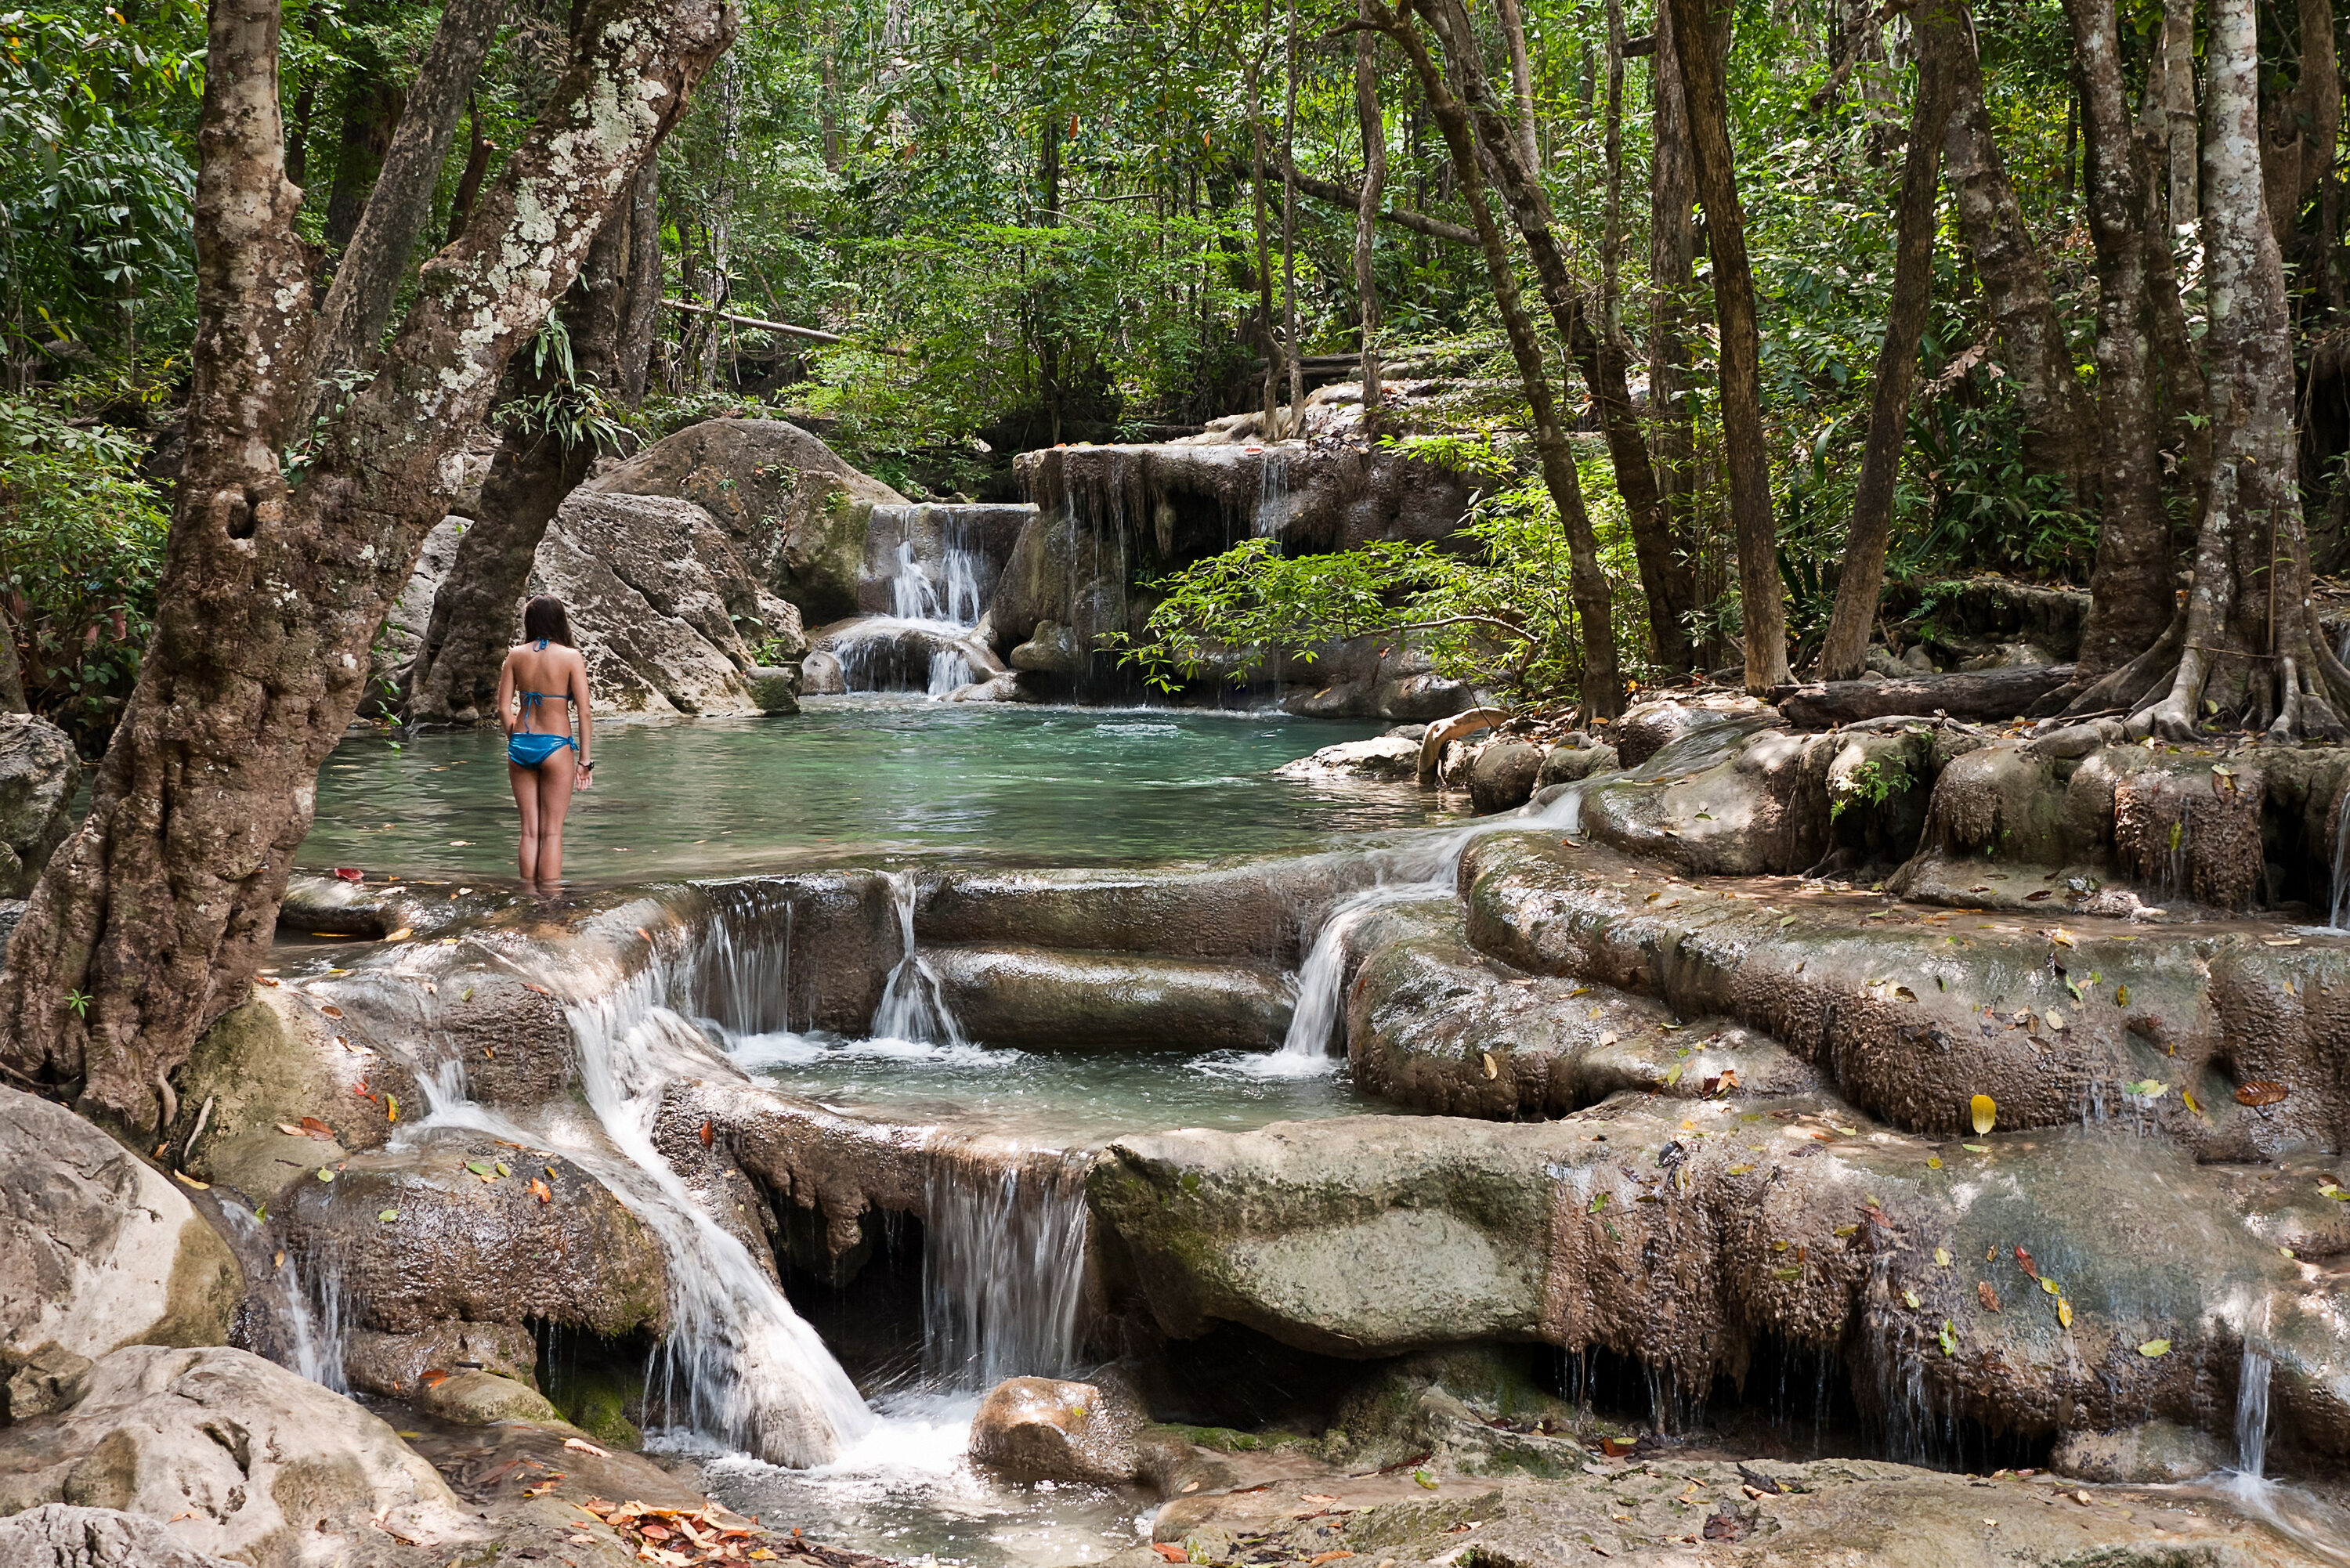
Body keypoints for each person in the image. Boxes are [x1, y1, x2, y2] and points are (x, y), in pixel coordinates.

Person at [496, 596, 594, 887]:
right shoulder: (571, 657)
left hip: (521, 743)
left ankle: (527, 896)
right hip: (556, 746)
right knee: (552, 832)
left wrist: (514, 739)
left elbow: (503, 708)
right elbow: (585, 711)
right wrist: (585, 761)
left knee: (528, 830)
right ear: (559, 620)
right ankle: (549, 903)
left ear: (530, 622)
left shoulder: (515, 655)